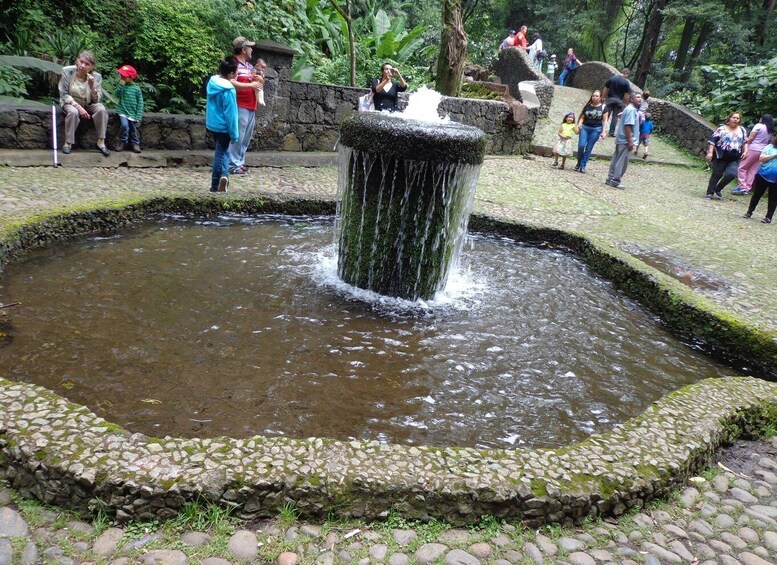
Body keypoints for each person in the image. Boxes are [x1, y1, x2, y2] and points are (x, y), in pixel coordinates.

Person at [58, 51, 109, 156]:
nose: (82, 66)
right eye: (81, 62)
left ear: (92, 67)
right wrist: (77, 107)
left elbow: (97, 99)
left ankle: (101, 142)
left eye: (87, 64)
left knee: (101, 109)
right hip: (71, 102)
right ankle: (68, 143)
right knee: (73, 112)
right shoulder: (67, 71)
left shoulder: (96, 77)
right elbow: (64, 93)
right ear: (77, 60)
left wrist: (92, 87)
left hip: (88, 103)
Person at [228, 37, 266, 176]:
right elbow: (230, 82)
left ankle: (239, 161)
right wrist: (251, 84)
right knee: (237, 135)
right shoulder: (233, 64)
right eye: (249, 47)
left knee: (246, 137)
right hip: (239, 104)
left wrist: (260, 78)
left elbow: (258, 83)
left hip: (251, 105)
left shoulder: (249, 66)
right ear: (243, 50)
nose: (251, 50)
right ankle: (232, 164)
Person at [206, 58, 239, 193]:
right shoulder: (229, 90)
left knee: (224, 151)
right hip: (224, 126)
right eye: (236, 72)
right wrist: (234, 134)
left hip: (213, 124)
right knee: (221, 152)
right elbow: (231, 114)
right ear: (231, 73)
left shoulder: (212, 83)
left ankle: (224, 177)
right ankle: (216, 184)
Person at [705, 112, 747, 200]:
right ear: (729, 118)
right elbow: (712, 141)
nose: (735, 119)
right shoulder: (722, 129)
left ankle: (718, 189)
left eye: (737, 118)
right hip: (721, 155)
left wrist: (745, 151)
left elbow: (745, 142)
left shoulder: (742, 130)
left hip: (735, 156)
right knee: (717, 174)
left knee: (731, 174)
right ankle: (710, 192)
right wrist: (710, 153)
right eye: (734, 117)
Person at [732, 115, 774, 195]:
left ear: (763, 119)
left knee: (742, 167)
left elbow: (751, 138)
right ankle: (747, 187)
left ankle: (742, 187)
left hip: (753, 148)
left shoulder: (759, 126)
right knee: (753, 170)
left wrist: (745, 143)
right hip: (762, 150)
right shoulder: (770, 129)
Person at [605, 94, 639, 189]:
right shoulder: (631, 110)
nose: (640, 99)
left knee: (616, 159)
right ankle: (615, 181)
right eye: (638, 97)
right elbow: (628, 125)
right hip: (625, 140)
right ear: (631, 99)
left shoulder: (627, 109)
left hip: (621, 139)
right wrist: (630, 140)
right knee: (622, 161)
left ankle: (610, 178)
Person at [743, 132, 777, 224]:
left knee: (773, 198)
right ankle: (749, 212)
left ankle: (768, 217)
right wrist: (774, 155)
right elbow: (761, 158)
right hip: (763, 175)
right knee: (757, 195)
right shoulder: (770, 147)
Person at [575, 90, 609, 173]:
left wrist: (603, 132)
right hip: (585, 128)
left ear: (600, 97)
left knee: (588, 148)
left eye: (597, 96)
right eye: (593, 96)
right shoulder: (587, 106)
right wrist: (580, 123)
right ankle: (579, 162)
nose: (595, 97)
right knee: (581, 146)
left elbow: (605, 120)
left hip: (596, 129)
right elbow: (582, 117)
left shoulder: (604, 107)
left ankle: (583, 165)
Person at [114, 65, 143, 153]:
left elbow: (140, 103)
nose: (122, 77)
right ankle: (122, 141)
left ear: (131, 77)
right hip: (122, 111)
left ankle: (135, 143)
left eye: (124, 76)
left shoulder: (136, 89)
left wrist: (138, 115)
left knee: (134, 130)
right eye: (121, 75)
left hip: (133, 113)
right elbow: (117, 95)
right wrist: (120, 86)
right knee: (124, 126)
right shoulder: (122, 86)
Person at [602, 69, 632, 136]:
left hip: (610, 99)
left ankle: (603, 130)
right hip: (619, 101)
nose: (627, 76)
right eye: (628, 75)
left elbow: (605, 88)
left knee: (606, 115)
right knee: (615, 116)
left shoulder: (612, 78)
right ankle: (611, 132)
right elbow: (627, 94)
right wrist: (625, 103)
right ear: (626, 73)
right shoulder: (626, 82)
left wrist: (603, 97)